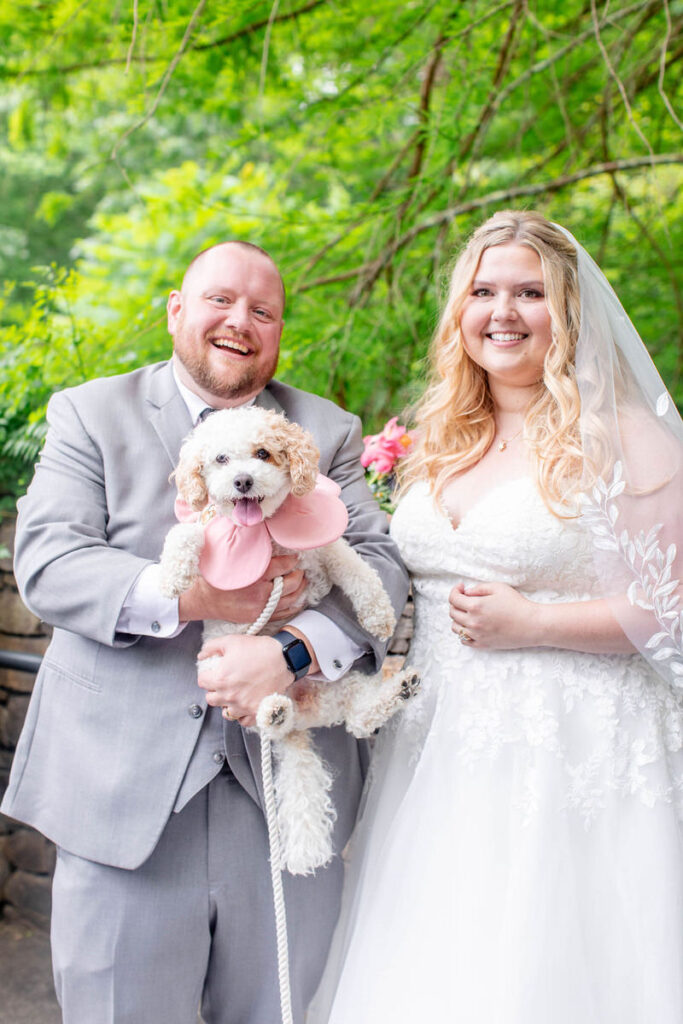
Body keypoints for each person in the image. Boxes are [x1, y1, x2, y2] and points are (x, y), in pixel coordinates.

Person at [1, 240, 409, 1024]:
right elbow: (50, 561)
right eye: (220, 300)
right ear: (176, 310)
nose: (240, 322)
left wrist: (290, 650)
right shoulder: (89, 411)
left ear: (279, 331)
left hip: (289, 801)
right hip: (124, 796)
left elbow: (379, 562)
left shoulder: (324, 430)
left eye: (264, 310)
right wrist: (194, 598)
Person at [309, 211, 683, 1023]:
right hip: (436, 745)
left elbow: (671, 616)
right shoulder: (442, 439)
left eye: (528, 291)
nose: (502, 311)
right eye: (482, 291)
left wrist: (535, 623)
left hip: (569, 748)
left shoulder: (626, 438)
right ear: (459, 312)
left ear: (570, 311)